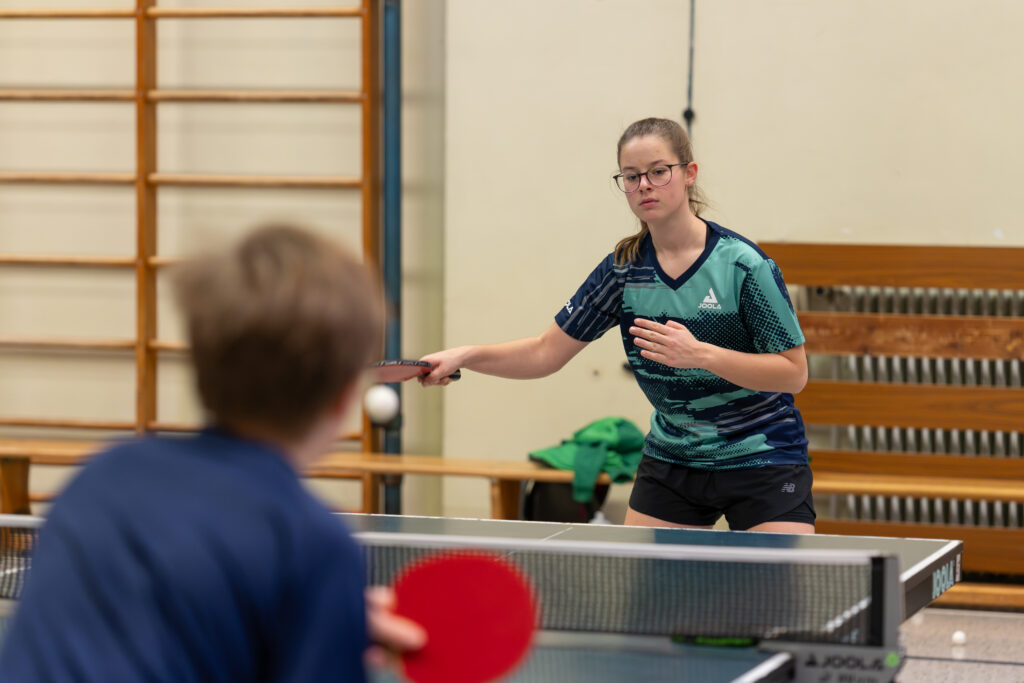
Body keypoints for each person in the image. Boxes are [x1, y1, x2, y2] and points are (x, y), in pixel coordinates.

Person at [0, 225, 425, 681]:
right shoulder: (311, 543)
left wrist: (306, 616)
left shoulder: (103, 478)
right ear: (343, 400)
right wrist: (319, 614)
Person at [421, 117, 813, 534]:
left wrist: (701, 355)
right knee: (645, 580)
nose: (644, 185)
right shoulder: (623, 271)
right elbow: (544, 352)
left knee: (773, 578)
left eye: (658, 172)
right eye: (631, 176)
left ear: (689, 174)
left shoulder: (743, 265)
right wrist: (465, 355)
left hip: (762, 456)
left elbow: (794, 374)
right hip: (674, 461)